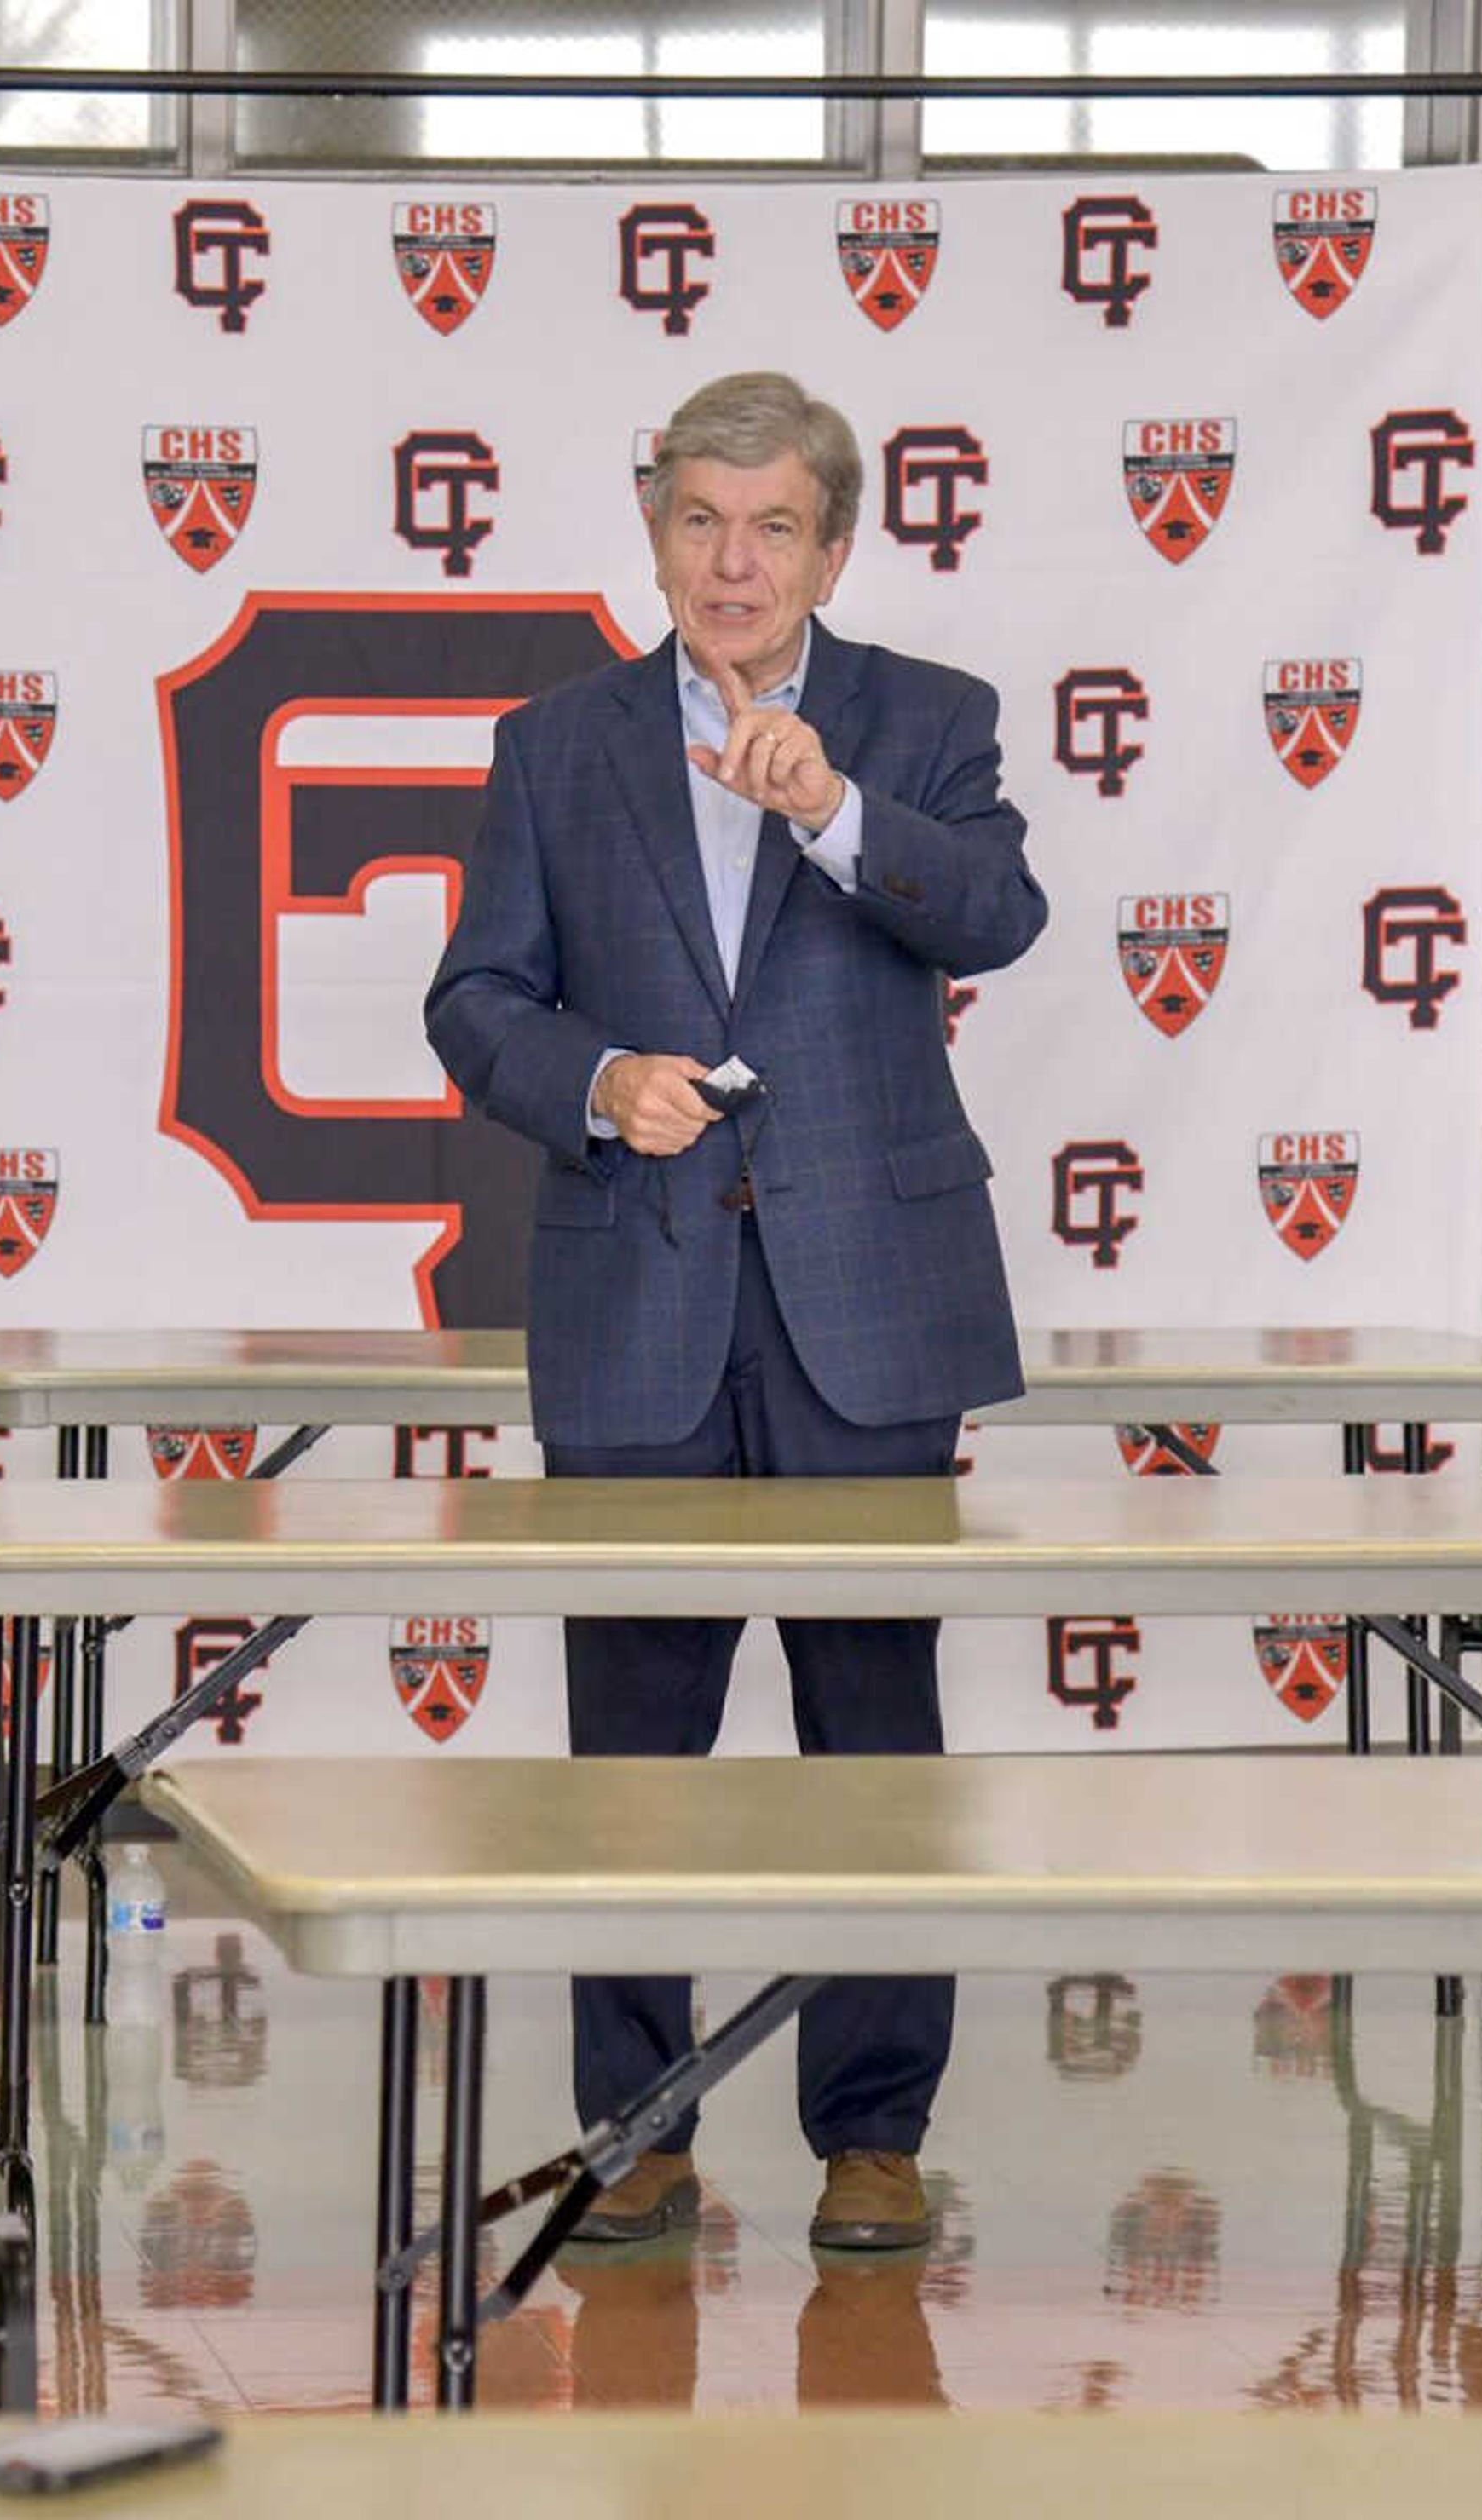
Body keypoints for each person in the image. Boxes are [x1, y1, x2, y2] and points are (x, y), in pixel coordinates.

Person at [423, 371, 1047, 2254]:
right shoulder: (558, 743)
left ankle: (872, 2138)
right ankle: (640, 2132)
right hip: (641, 1294)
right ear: (656, 533)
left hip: (869, 1301)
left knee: (877, 1740)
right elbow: (476, 1001)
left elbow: (996, 917)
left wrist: (843, 812)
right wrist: (600, 1079)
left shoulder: (926, 722)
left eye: (775, 525)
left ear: (834, 547)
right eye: (701, 520)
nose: (735, 560)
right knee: (632, 1740)